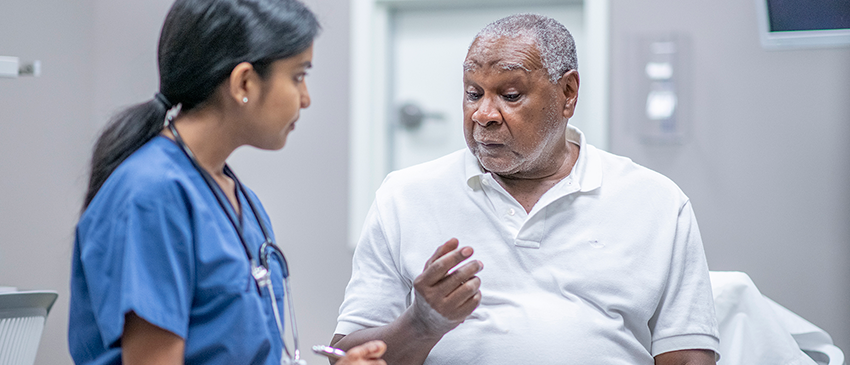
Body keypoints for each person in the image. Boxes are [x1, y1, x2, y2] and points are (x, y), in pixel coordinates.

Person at [331, 14, 719, 365]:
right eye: (473, 93)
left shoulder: (655, 201)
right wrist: (422, 323)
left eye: (510, 95)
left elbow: (687, 357)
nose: (484, 115)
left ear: (568, 93)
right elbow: (343, 358)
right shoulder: (405, 196)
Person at [68, 0, 386, 364]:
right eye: (298, 76)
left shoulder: (240, 201)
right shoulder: (151, 195)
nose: (306, 98)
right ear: (244, 82)